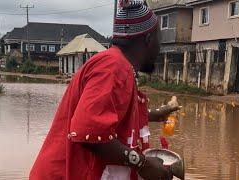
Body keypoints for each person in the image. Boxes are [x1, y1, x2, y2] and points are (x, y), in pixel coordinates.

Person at [30, 1, 180, 180]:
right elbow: (90, 132)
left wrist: (155, 114)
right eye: (159, 40)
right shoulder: (114, 67)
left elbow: (111, 115)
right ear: (148, 39)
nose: (159, 48)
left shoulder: (117, 64)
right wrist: (143, 164)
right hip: (64, 173)